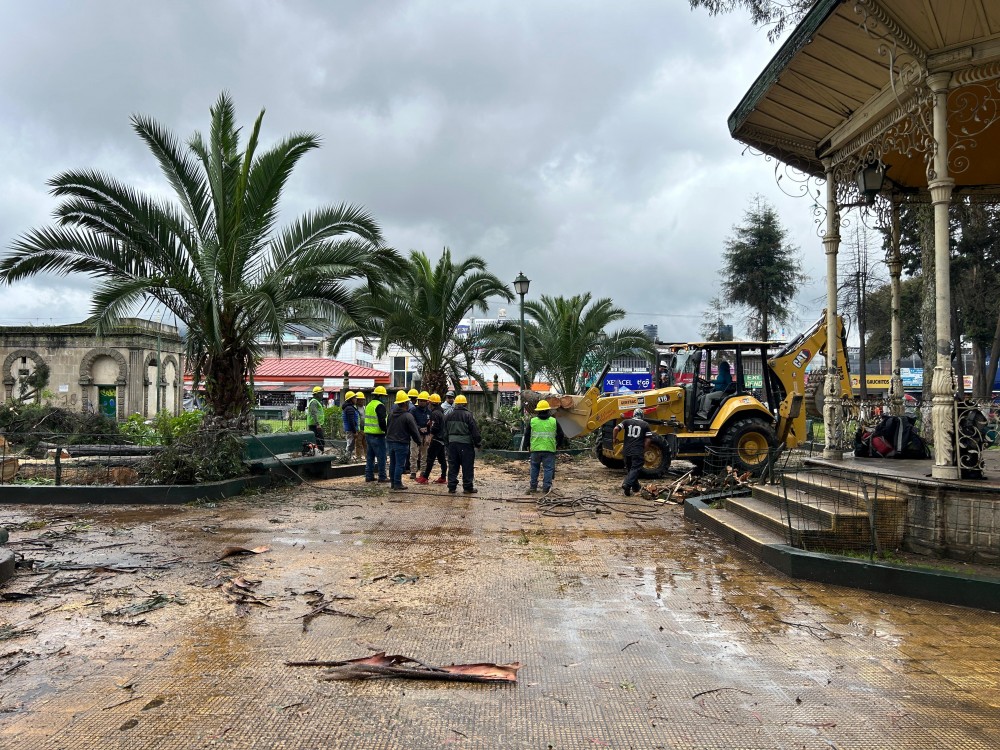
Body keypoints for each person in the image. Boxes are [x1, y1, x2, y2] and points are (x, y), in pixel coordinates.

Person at [443, 394, 481, 493]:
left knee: (453, 466)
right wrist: (478, 443)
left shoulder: (448, 415)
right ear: (465, 404)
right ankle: (467, 487)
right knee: (467, 466)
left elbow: (444, 432)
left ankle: (451, 487)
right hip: (466, 445)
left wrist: (447, 444)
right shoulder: (468, 415)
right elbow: (475, 432)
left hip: (452, 445)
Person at [386, 390, 423, 490]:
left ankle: (393, 483)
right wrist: (419, 441)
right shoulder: (408, 416)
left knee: (392, 463)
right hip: (401, 443)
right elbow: (414, 431)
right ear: (406, 403)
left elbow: (387, 427)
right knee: (399, 464)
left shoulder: (391, 414)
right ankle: (398, 483)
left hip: (390, 442)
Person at [524, 399, 563, 494]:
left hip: (535, 449)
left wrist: (527, 446)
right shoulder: (553, 421)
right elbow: (561, 434)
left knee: (534, 468)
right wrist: (558, 445)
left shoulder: (533, 421)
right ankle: (546, 488)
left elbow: (527, 434)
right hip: (549, 449)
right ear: (548, 410)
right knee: (548, 469)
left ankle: (533, 488)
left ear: (538, 410)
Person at [614, 408, 651, 496]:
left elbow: (616, 428)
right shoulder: (645, 424)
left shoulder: (626, 422)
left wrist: (614, 439)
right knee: (635, 468)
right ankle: (627, 484)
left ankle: (635, 488)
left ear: (633, 414)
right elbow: (648, 440)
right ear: (642, 415)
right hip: (637, 451)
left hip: (626, 451)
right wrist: (644, 449)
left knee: (631, 470)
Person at [416, 393, 447, 484]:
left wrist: (429, 437)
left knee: (430, 458)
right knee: (442, 459)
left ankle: (425, 477)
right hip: (442, 439)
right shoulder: (440, 411)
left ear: (431, 403)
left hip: (436, 439)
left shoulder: (434, 413)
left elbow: (435, 427)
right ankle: (443, 477)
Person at [364, 385, 389, 483]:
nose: (385, 398)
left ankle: (369, 475)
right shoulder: (380, 406)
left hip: (368, 435)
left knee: (370, 457)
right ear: (380, 396)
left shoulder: (369, 404)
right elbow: (382, 421)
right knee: (381, 456)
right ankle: (382, 476)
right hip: (378, 435)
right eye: (384, 396)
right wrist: (386, 431)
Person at [409, 391, 431, 478]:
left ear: (427, 402)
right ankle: (413, 471)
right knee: (413, 453)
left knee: (424, 454)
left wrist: (428, 431)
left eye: (423, 400)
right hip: (415, 435)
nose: (421, 402)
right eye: (420, 400)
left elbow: (431, 423)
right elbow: (411, 422)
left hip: (425, 435)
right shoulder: (413, 411)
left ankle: (423, 471)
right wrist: (418, 428)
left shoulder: (429, 412)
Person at [306, 386, 326, 452]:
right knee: (319, 440)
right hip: (314, 425)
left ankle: (319, 452)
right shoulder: (314, 402)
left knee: (319, 440)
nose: (322, 395)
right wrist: (317, 424)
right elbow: (314, 413)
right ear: (317, 394)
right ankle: (320, 453)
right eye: (321, 393)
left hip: (316, 425)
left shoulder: (316, 402)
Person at [341, 391, 359, 456]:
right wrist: (354, 432)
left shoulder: (349, 408)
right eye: (354, 398)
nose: (356, 399)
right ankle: (346, 458)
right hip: (351, 430)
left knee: (350, 445)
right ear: (350, 399)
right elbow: (351, 421)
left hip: (350, 430)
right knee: (350, 445)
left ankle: (347, 458)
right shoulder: (349, 408)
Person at [354, 391, 368, 460]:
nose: (362, 401)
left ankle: (367, 457)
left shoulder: (365, 408)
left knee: (366, 444)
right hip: (359, 430)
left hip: (365, 429)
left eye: (362, 399)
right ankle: (358, 457)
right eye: (360, 399)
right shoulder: (355, 408)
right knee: (358, 444)